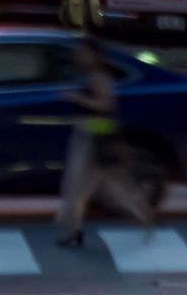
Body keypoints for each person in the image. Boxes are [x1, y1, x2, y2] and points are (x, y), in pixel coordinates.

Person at [55, 38, 152, 246]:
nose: (77, 57)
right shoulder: (91, 76)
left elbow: (105, 104)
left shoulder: (99, 78)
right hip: (91, 135)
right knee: (86, 188)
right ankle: (75, 229)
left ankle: (141, 216)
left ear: (94, 56)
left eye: (82, 53)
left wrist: (76, 98)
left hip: (94, 138)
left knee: (86, 187)